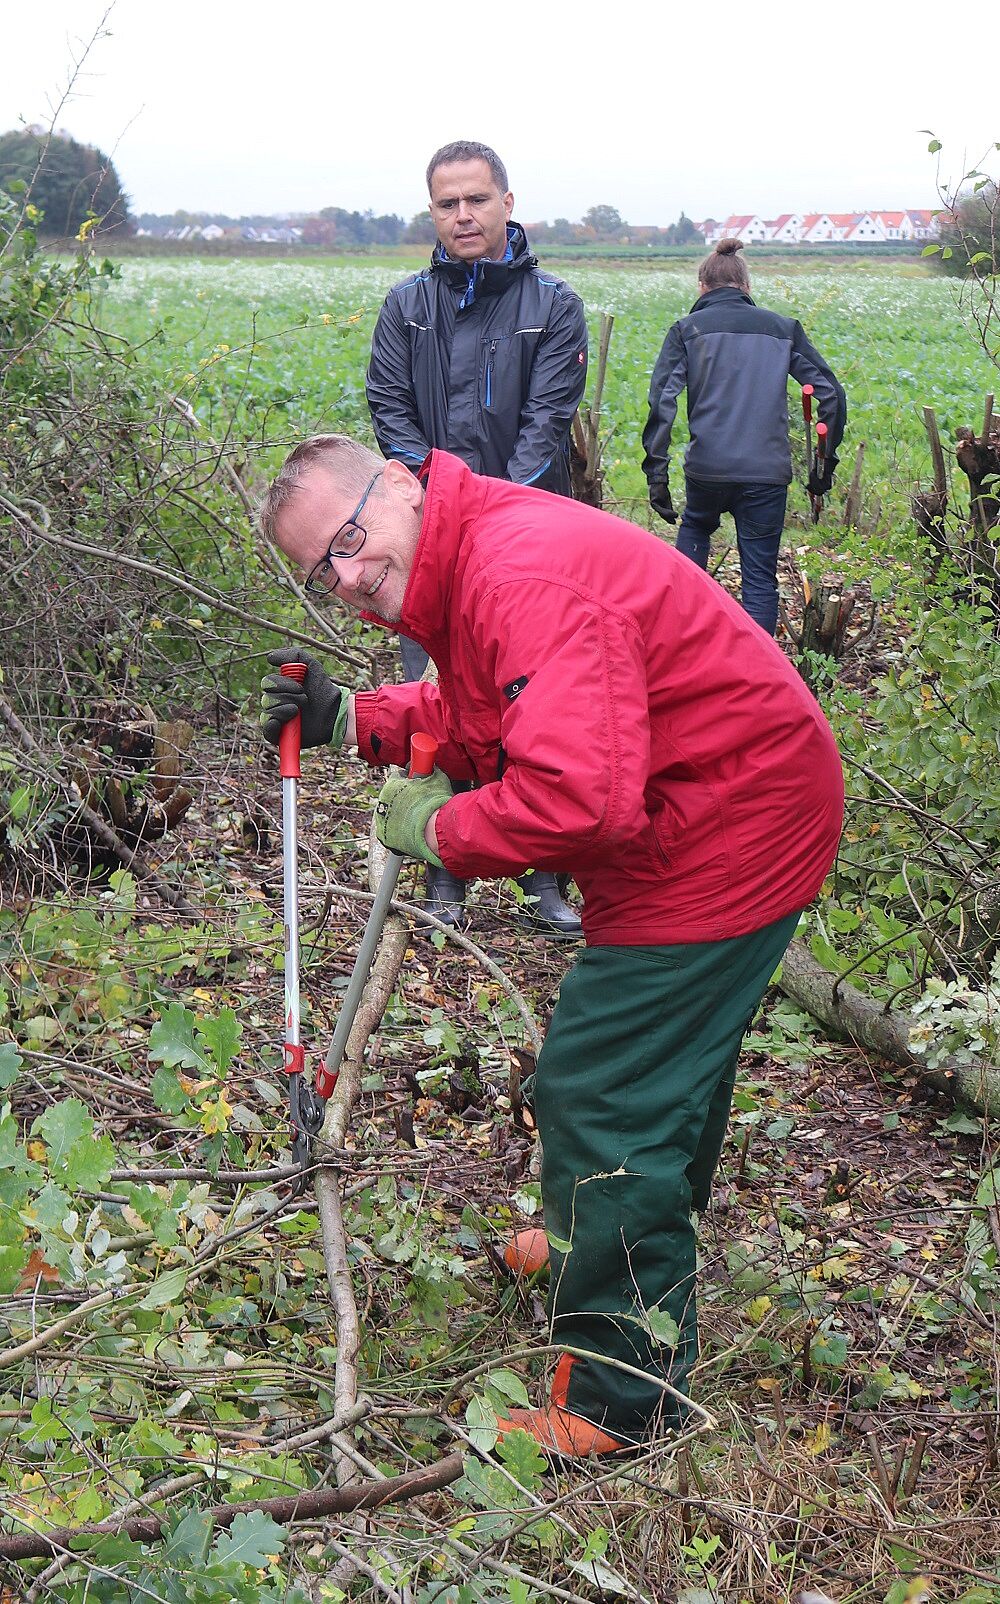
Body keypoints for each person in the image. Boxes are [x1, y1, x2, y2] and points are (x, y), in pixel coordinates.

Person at [257, 436, 844, 1460]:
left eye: (348, 539)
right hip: (699, 809)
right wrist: (359, 718)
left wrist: (439, 830)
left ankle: (622, 1397)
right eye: (321, 570)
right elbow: (496, 704)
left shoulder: (514, 570)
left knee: (604, 1090)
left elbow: (576, 795)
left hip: (729, 821)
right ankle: (606, 1240)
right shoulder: (469, 560)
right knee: (651, 1065)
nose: (346, 576)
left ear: (398, 484)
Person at [366, 139, 588, 937]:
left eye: (476, 200)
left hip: (528, 550)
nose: (463, 215)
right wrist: (431, 510)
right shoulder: (406, 307)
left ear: (506, 203)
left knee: (541, 711)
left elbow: (546, 424)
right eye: (446, 203)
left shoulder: (554, 307)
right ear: (432, 211)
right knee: (440, 713)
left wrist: (490, 518)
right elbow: (390, 411)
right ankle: (445, 871)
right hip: (429, 547)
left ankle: (545, 879)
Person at [642, 238, 847, 635]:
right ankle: (759, 681)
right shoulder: (783, 330)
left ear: (702, 286)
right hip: (766, 476)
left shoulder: (687, 330)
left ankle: (683, 649)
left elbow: (661, 402)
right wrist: (825, 466)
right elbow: (831, 395)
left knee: (696, 533)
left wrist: (657, 475)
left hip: (707, 469)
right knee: (759, 582)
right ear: (746, 286)